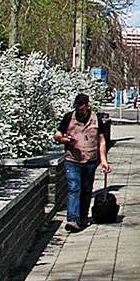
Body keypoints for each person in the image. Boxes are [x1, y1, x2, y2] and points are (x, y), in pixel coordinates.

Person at [54, 93, 110, 233]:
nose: (79, 111)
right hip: (72, 160)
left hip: (90, 161)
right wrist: (66, 140)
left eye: (82, 108)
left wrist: (103, 161)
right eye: (77, 108)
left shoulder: (96, 119)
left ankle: (83, 217)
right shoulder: (68, 118)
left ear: (87, 106)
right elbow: (57, 135)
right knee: (74, 187)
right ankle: (72, 219)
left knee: (86, 190)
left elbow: (101, 140)